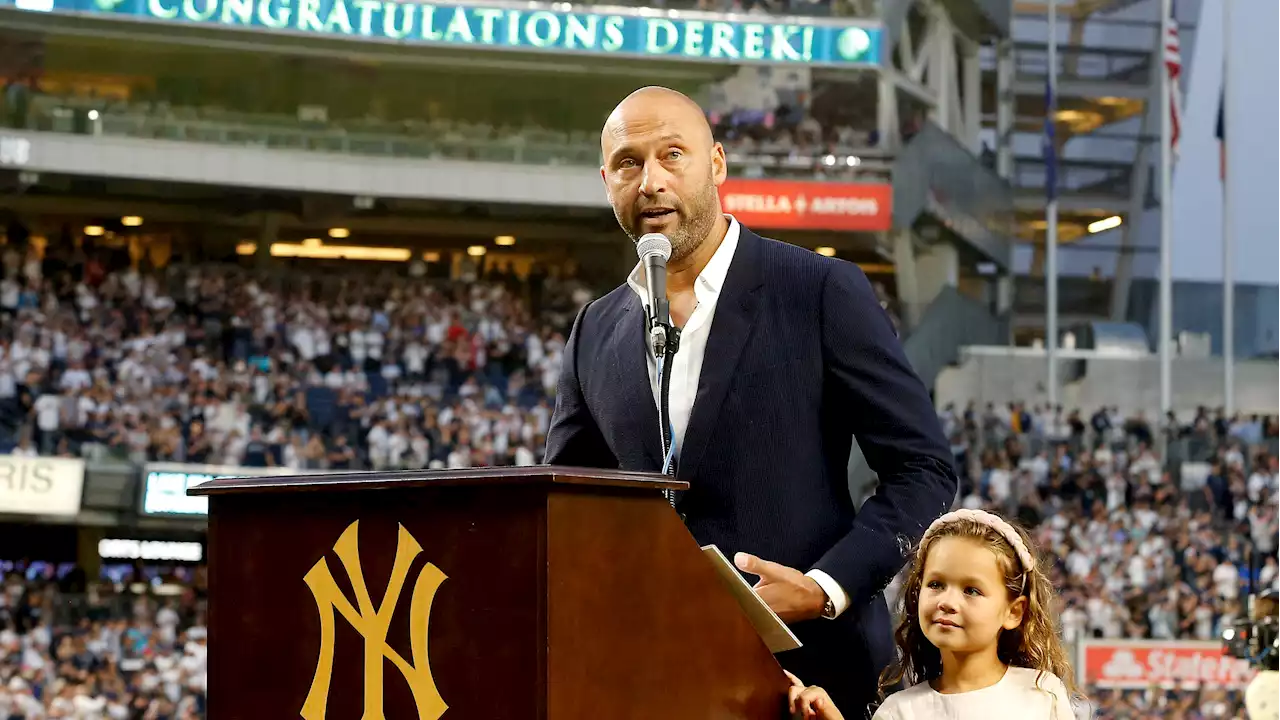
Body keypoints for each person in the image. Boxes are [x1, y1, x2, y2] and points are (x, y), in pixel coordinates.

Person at [543, 85, 958, 714]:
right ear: (606, 180)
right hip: (647, 675)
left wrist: (825, 587)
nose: (651, 180)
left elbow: (922, 469)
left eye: (672, 155)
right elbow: (568, 505)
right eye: (629, 162)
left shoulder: (819, 290)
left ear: (716, 164)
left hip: (813, 677)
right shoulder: (594, 331)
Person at [787, 509, 1081, 720]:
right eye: (936, 584)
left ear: (1014, 612)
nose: (947, 601)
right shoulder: (899, 711)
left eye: (972, 590)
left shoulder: (1043, 694)